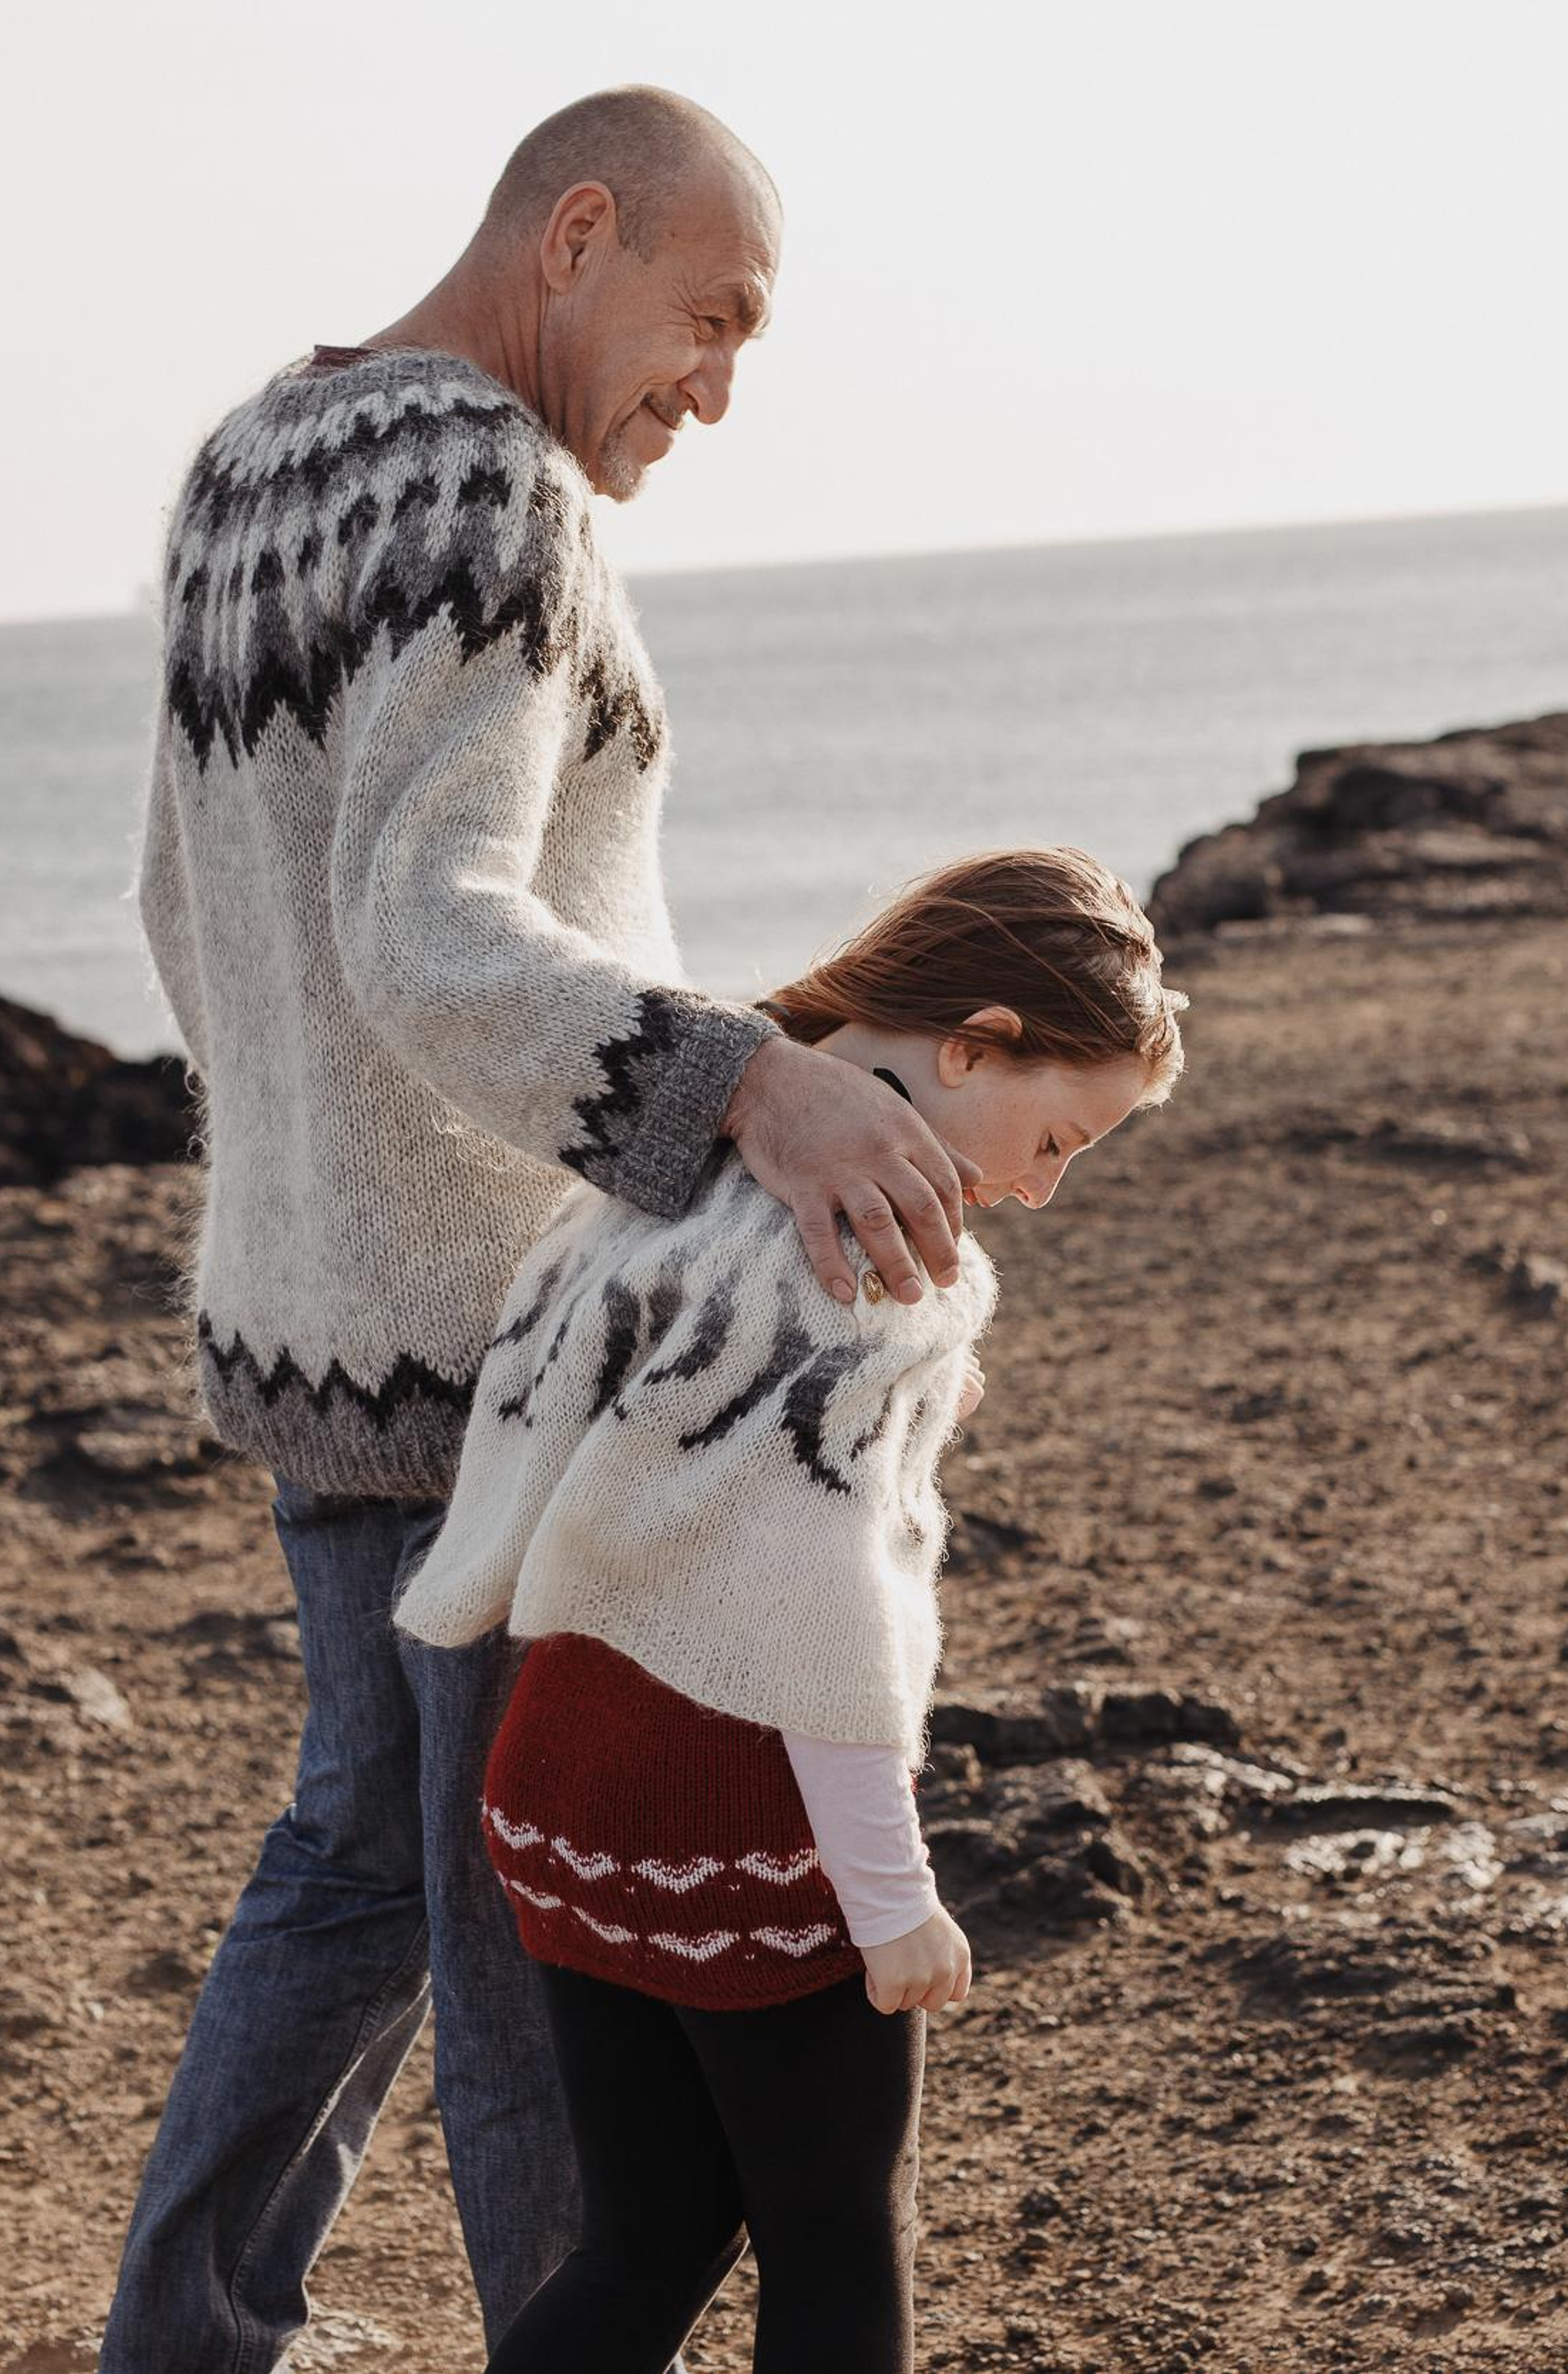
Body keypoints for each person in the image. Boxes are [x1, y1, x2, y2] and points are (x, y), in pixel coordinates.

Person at [108, 85, 984, 2374]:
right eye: (711, 319)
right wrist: (753, 1086)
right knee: (527, 1937)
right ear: (574, 235)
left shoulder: (243, 468)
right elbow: (433, 929)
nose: (720, 384)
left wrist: (306, 1192)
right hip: (502, 1365)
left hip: (311, 1327)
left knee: (359, 1859)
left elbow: (179, 906)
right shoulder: (493, 494)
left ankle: (187, 2334)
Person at [395, 847, 1187, 2373]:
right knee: (835, 2261)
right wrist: (890, 1904)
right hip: (736, 1811)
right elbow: (816, 1606)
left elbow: (553, 1443)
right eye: (1053, 1134)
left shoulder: (673, 1168)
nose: (1037, 1186)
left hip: (558, 1781)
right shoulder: (871, 1248)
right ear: (972, 1044)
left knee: (642, 2249)